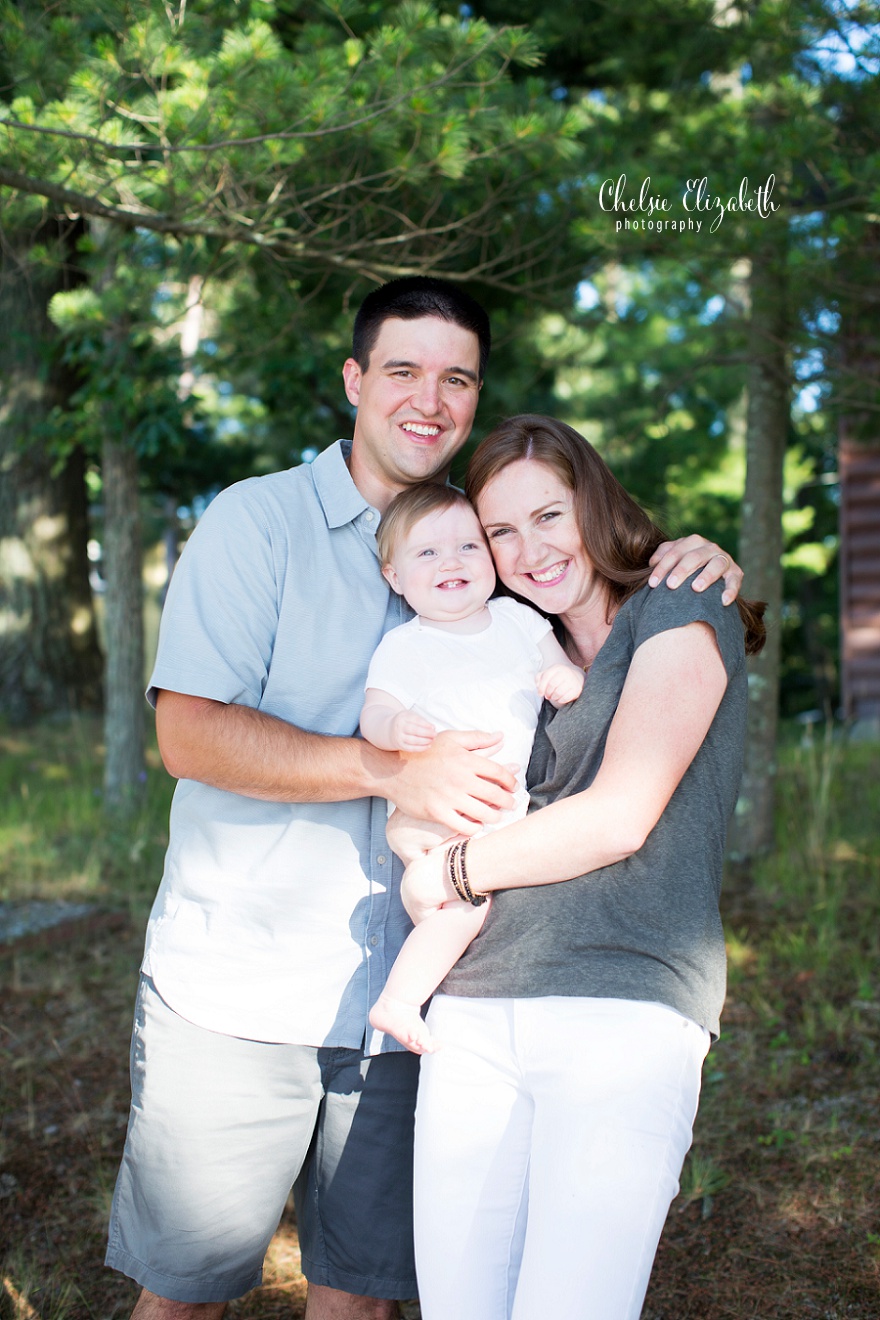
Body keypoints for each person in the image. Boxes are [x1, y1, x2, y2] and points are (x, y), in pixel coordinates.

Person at [104, 275, 744, 1320]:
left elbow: (586, 582)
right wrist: (391, 769)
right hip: (246, 988)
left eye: (456, 379)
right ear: (354, 379)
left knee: (358, 1299)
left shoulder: (487, 562)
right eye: (401, 369)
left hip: (419, 1004)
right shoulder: (256, 523)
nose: (428, 398)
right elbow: (185, 735)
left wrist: (695, 556)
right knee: (184, 1297)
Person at [397, 414, 766, 1320]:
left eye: (549, 516)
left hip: (623, 1007)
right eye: (501, 532)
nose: (530, 550)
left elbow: (619, 818)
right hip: (473, 1015)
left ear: (594, 503)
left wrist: (447, 871)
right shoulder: (510, 652)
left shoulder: (682, 604)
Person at [360, 482, 584, 1053]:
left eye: (467, 547)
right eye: (427, 554)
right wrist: (393, 729)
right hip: (436, 814)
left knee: (488, 901)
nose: (451, 562)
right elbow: (375, 712)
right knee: (462, 909)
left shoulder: (515, 619)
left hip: (502, 812)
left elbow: (557, 662)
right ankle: (399, 1002)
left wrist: (563, 677)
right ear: (394, 578)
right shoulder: (405, 646)